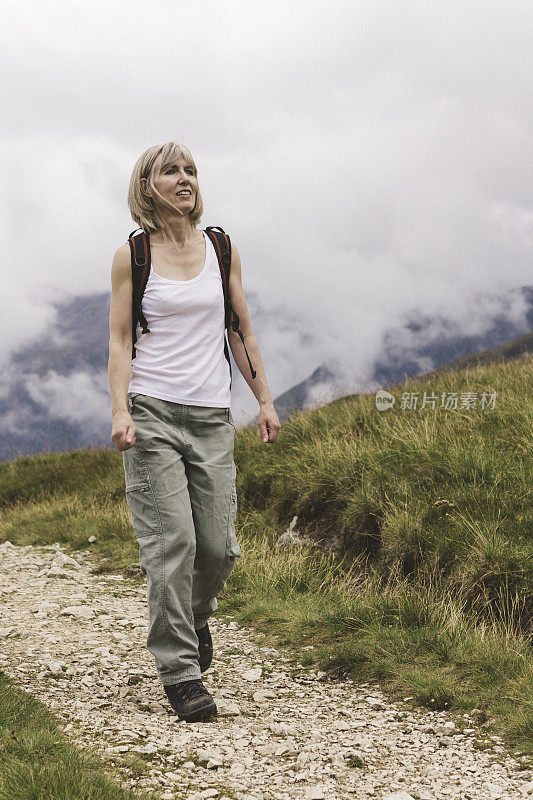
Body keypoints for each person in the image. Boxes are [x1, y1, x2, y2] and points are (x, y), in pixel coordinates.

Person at [108, 141, 281, 722]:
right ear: (146, 186)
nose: (184, 179)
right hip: (152, 411)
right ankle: (179, 671)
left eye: (190, 170)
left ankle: (195, 617)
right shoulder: (132, 256)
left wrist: (264, 400)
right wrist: (120, 411)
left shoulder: (221, 248)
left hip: (211, 416)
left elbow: (241, 330)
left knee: (218, 548)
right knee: (172, 545)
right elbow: (119, 340)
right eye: (170, 171)